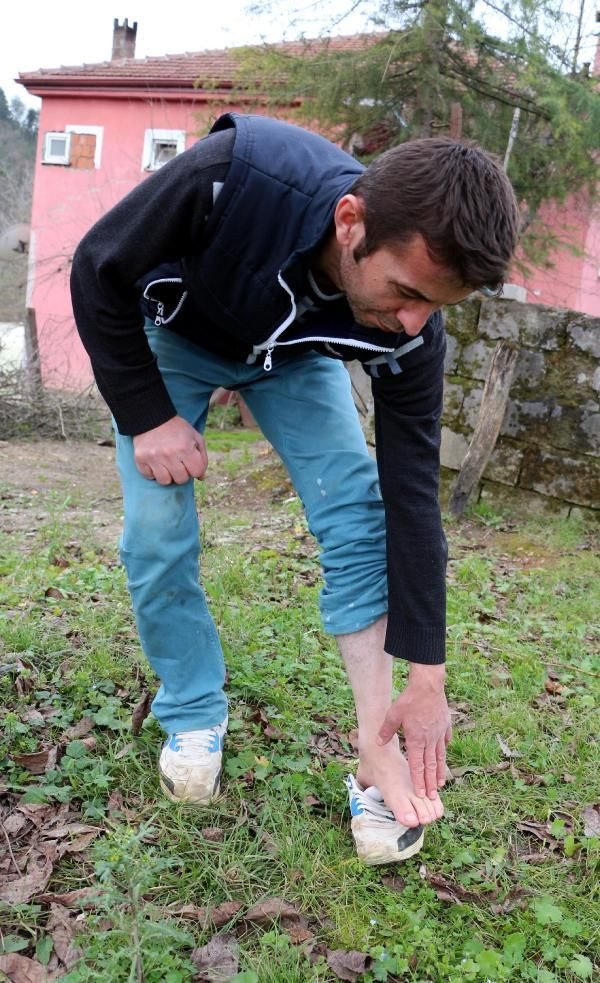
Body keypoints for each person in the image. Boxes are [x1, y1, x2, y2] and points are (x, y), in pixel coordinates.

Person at [71, 113, 518, 863]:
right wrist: (148, 418)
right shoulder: (236, 175)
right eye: (407, 290)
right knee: (156, 528)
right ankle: (192, 706)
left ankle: (378, 754)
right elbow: (97, 268)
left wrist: (429, 672)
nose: (412, 324)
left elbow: (410, 499)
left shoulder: (412, 329)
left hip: (295, 359)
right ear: (351, 222)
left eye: (436, 307)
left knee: (358, 512)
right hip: (175, 341)